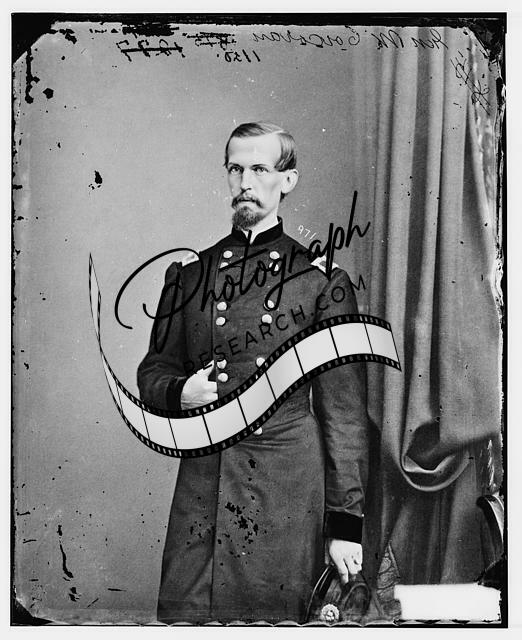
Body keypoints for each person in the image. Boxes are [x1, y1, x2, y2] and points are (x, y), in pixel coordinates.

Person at [137, 122, 370, 624]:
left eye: (260, 169)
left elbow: (345, 416)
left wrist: (345, 525)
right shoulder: (190, 276)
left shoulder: (320, 282)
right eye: (236, 169)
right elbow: (153, 371)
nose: (245, 182)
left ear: (288, 180)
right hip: (206, 484)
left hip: (284, 487)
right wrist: (180, 392)